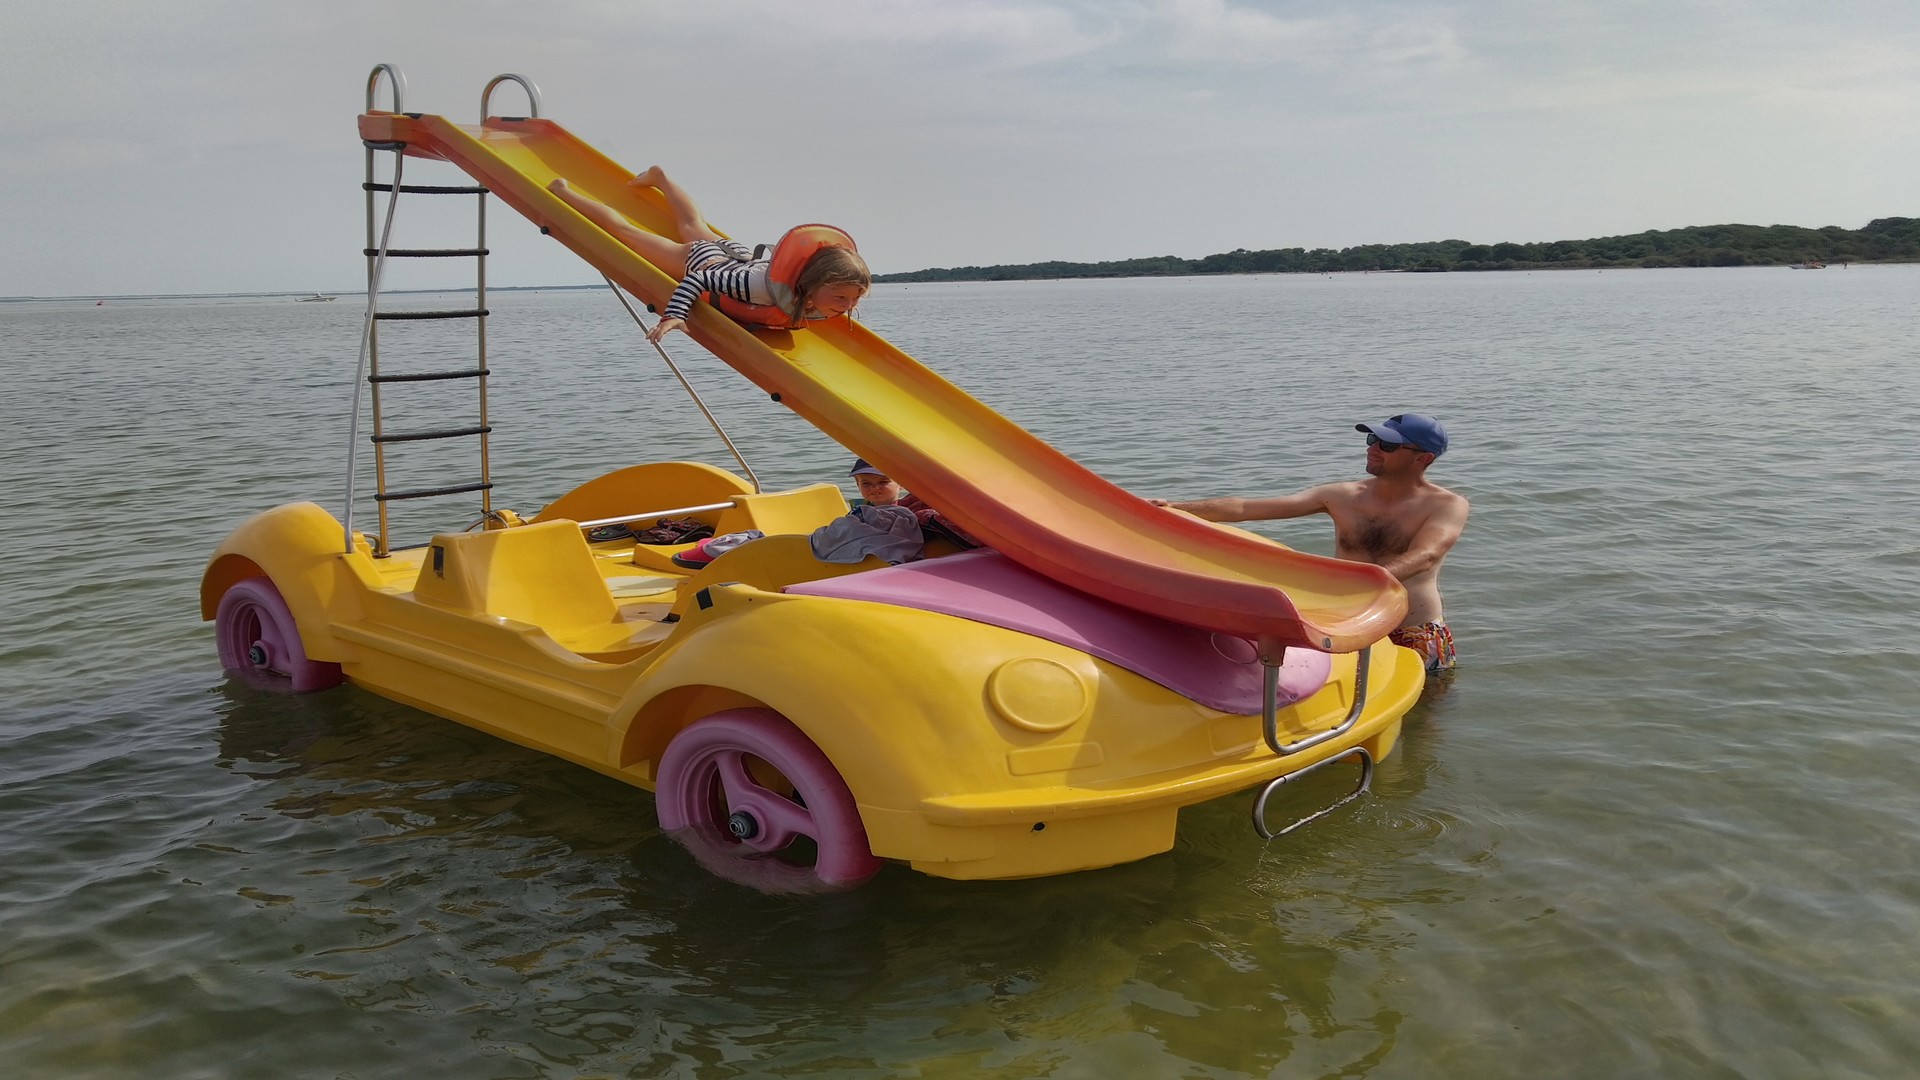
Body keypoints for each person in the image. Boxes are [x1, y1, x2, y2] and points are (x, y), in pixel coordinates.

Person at [1152, 413, 1469, 674]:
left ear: (1423, 458)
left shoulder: (1447, 506)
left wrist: (1355, 584)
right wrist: (1173, 508)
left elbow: (1426, 556)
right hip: (1348, 626)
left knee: (1424, 725)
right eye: (1372, 439)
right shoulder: (1341, 496)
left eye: (1387, 444)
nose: (1373, 448)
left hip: (1412, 631)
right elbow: (1246, 508)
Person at [546, 166, 870, 343]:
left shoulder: (815, 297)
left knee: (692, 222)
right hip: (704, 260)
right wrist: (674, 315)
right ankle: (564, 192)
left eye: (854, 299)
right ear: (812, 285)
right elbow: (697, 280)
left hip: (738, 255)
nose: (848, 306)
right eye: (841, 298)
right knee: (628, 235)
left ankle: (661, 177)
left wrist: (841, 304)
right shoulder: (756, 287)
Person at [847, 458, 979, 549]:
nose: (875, 488)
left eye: (883, 482)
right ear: (858, 485)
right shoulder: (859, 513)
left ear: (902, 484)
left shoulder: (916, 511)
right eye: (866, 484)